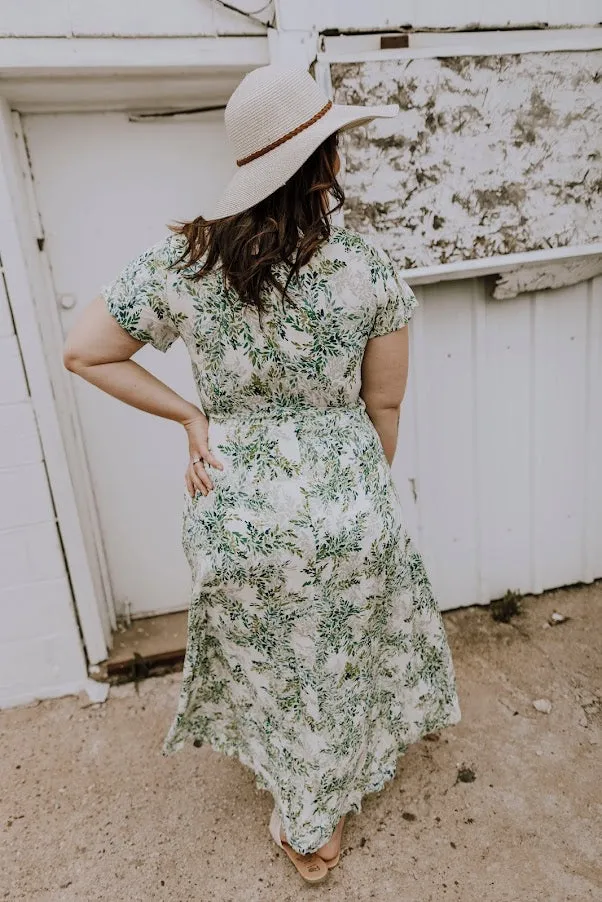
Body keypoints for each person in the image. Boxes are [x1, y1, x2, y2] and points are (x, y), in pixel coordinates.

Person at [63, 64, 461, 884]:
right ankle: (322, 805)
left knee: (275, 661)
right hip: (346, 499)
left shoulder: (184, 261)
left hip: (235, 502)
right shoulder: (369, 271)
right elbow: (384, 409)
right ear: (329, 164)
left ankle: (301, 810)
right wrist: (357, 491)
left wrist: (191, 417)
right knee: (340, 657)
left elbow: (84, 351)